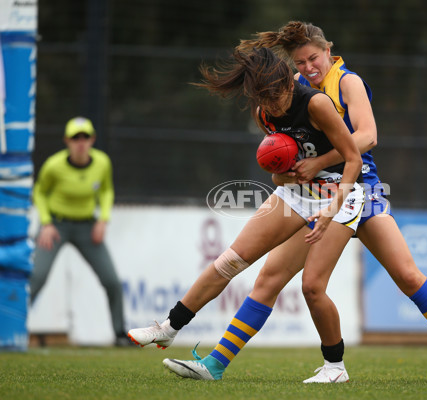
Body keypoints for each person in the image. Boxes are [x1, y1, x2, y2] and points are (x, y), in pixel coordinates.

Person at [163, 21, 427, 384]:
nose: (308, 67)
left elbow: (368, 137)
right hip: (314, 195)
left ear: (328, 50)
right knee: (270, 279)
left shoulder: (347, 82)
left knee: (407, 275)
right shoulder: (289, 91)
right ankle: (215, 365)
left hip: (360, 189)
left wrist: (319, 163)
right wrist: (288, 169)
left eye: (313, 58)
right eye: (300, 62)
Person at [128, 47, 365, 382]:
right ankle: (168, 327)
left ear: (287, 81)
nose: (273, 105)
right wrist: (284, 172)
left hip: (343, 191)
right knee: (231, 261)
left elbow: (354, 159)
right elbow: (279, 176)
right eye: (264, 98)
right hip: (299, 191)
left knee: (311, 287)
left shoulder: (316, 103)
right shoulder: (264, 114)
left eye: (277, 95)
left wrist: (330, 209)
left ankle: (335, 367)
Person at [30, 116, 130, 346]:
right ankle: (11, 330)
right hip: (56, 226)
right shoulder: (54, 166)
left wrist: (103, 220)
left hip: (87, 226)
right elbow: (40, 192)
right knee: (37, 277)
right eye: (76, 138)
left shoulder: (102, 162)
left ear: (93, 139)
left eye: (85, 137)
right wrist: (46, 223)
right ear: (67, 141)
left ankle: (119, 333)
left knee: (112, 280)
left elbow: (106, 191)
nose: (81, 142)